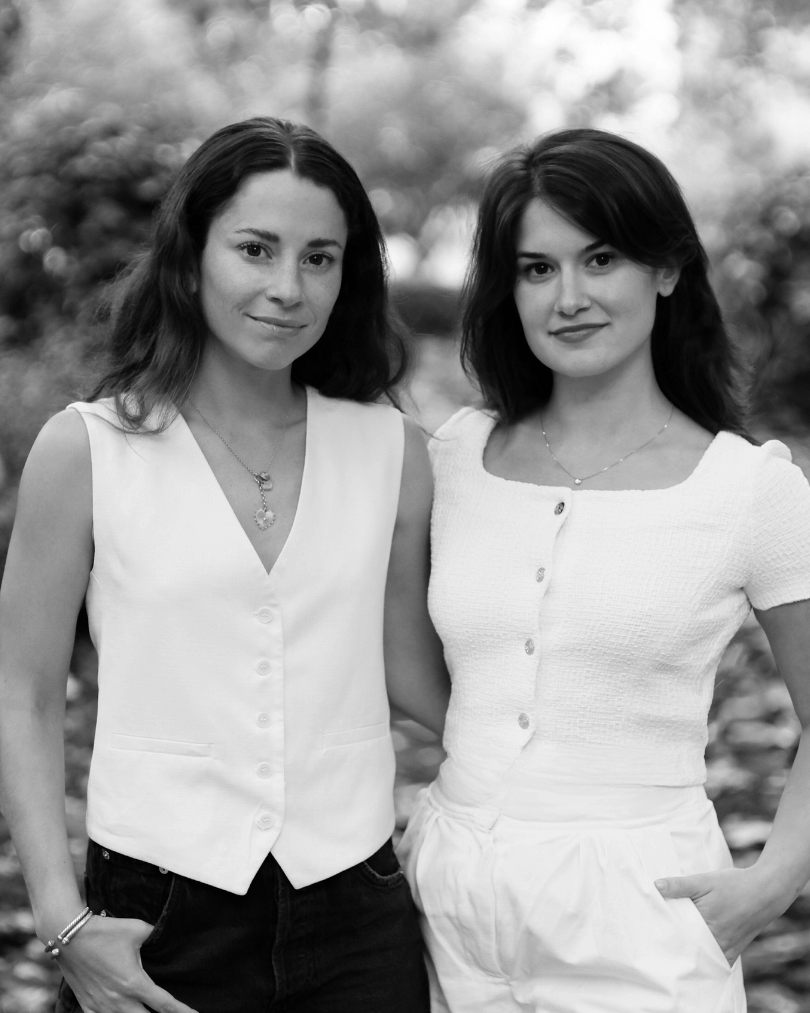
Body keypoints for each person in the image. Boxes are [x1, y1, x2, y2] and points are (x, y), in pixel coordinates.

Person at [0, 116, 449, 1013]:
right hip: (153, 916)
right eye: (256, 248)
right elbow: (24, 686)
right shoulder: (88, 448)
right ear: (191, 253)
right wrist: (62, 916)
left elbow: (406, 668)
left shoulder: (394, 449)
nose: (288, 287)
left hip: (358, 912)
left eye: (320, 258)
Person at [397, 128, 810, 1013]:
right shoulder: (458, 455)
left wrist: (774, 878)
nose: (569, 296)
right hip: (451, 896)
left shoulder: (748, 489)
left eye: (601, 258)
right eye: (536, 269)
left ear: (665, 270)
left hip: (640, 908)